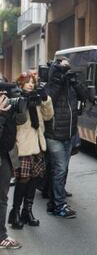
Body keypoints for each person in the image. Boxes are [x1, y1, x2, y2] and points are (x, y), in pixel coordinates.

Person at [8, 72, 53, 229]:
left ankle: (28, 211)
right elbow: (15, 121)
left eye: (32, 82)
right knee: (23, 180)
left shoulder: (37, 98)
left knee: (34, 179)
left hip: (37, 145)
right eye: (27, 82)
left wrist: (45, 98)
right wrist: (22, 102)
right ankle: (16, 213)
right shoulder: (15, 98)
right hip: (23, 146)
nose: (30, 84)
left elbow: (48, 116)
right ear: (20, 84)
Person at [44, 57, 87, 218]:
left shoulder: (71, 84)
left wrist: (75, 81)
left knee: (61, 170)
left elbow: (85, 96)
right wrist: (58, 80)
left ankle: (52, 203)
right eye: (63, 65)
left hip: (69, 135)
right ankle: (59, 206)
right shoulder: (51, 84)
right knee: (60, 170)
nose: (66, 67)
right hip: (54, 134)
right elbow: (48, 101)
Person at [0, 88, 25, 249]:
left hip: (7, 154)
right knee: (1, 199)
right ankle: (1, 236)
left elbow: (22, 120)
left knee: (2, 198)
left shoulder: (6, 102)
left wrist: (17, 103)